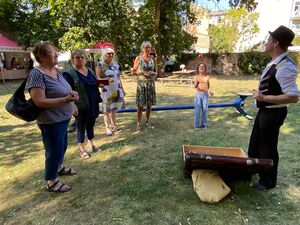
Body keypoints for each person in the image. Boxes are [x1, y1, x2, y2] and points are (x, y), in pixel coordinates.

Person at [248, 25, 299, 190]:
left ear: (276, 43)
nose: (266, 42)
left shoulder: (285, 66)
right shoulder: (275, 62)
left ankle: (267, 181)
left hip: (274, 113)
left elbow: (293, 97)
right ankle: (253, 170)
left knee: (267, 147)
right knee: (255, 144)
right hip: (265, 111)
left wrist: (264, 97)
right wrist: (259, 94)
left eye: (268, 40)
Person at [26, 41, 79, 193]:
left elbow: (64, 90)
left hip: (63, 118)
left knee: (62, 147)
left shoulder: (56, 71)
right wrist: (65, 100)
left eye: (56, 52)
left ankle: (59, 167)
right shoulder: (36, 74)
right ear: (42, 56)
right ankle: (52, 181)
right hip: (50, 121)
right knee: (53, 151)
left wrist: (72, 96)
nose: (56, 54)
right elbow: (39, 101)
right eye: (52, 52)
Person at [63, 50, 101, 159]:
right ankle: (81, 149)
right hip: (80, 105)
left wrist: (102, 84)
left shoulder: (90, 71)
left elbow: (95, 83)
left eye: (82, 57)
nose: (80, 59)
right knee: (80, 127)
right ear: (72, 59)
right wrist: (73, 105)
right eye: (77, 57)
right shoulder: (69, 73)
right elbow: (67, 91)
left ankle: (91, 144)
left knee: (91, 123)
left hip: (92, 102)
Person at [96, 48, 125, 136]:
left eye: (112, 54)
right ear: (104, 54)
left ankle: (113, 125)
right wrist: (106, 79)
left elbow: (118, 78)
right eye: (109, 54)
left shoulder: (116, 64)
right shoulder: (100, 64)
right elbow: (97, 79)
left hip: (116, 89)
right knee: (106, 110)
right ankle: (107, 128)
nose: (111, 55)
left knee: (114, 108)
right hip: (106, 91)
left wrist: (122, 89)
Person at [132, 41, 157, 132]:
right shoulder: (138, 58)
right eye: (146, 47)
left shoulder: (153, 59)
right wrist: (142, 73)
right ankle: (138, 123)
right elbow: (133, 72)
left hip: (150, 84)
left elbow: (156, 72)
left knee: (149, 104)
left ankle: (147, 121)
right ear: (142, 48)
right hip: (141, 84)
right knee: (140, 105)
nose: (148, 49)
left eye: (149, 47)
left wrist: (152, 73)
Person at [193, 63, 212, 129]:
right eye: (200, 67)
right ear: (198, 69)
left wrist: (209, 91)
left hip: (205, 95)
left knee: (205, 110)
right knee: (197, 110)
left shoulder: (207, 77)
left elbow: (208, 86)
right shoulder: (196, 77)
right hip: (198, 94)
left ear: (205, 69)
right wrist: (197, 82)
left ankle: (204, 124)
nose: (201, 68)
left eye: (203, 67)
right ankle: (196, 125)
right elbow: (195, 86)